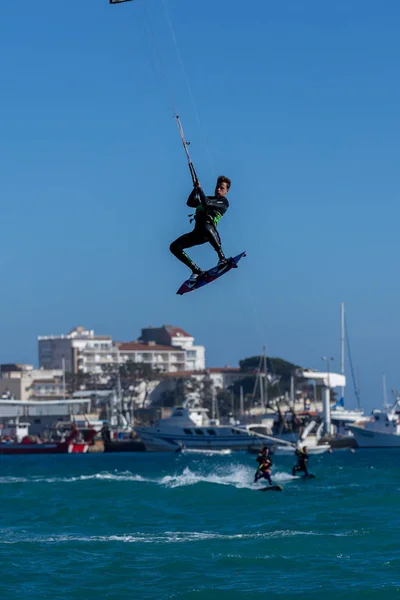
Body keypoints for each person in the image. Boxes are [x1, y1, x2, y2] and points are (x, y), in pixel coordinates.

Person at [170, 176, 231, 284]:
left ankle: (222, 258)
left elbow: (207, 203)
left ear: (226, 191)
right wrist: (195, 189)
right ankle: (196, 270)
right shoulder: (207, 198)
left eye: (221, 188)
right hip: (197, 233)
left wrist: (201, 189)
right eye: (217, 187)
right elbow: (190, 202)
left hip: (209, 232)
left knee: (205, 225)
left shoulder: (223, 202)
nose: (218, 189)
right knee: (174, 247)